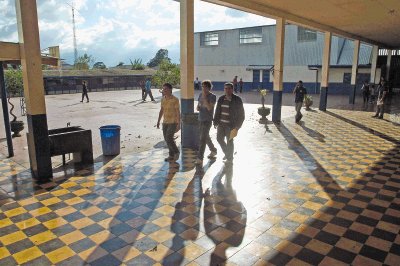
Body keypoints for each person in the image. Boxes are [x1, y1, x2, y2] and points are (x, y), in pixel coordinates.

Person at [213, 83, 245, 164]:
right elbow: (217, 111)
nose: (227, 90)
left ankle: (229, 158)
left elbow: (242, 115)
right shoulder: (221, 99)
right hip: (221, 124)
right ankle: (228, 154)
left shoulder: (237, 100)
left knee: (230, 141)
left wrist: (238, 126)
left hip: (231, 126)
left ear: (232, 89)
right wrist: (215, 122)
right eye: (226, 88)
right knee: (219, 139)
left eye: (229, 88)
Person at [195, 80, 218, 165]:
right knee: (205, 137)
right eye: (202, 86)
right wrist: (198, 106)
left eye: (205, 87)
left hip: (207, 120)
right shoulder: (200, 95)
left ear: (209, 87)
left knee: (202, 139)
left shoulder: (213, 96)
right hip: (200, 119)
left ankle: (200, 158)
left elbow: (209, 108)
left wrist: (204, 98)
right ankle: (213, 150)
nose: (203, 88)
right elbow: (198, 107)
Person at [157, 83, 181, 162]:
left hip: (173, 122)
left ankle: (176, 152)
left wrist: (178, 124)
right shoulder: (163, 99)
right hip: (165, 122)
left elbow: (178, 112)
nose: (164, 90)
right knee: (166, 139)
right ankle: (171, 155)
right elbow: (161, 110)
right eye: (163, 89)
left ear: (170, 89)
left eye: (166, 89)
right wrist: (158, 121)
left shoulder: (175, 99)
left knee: (169, 137)